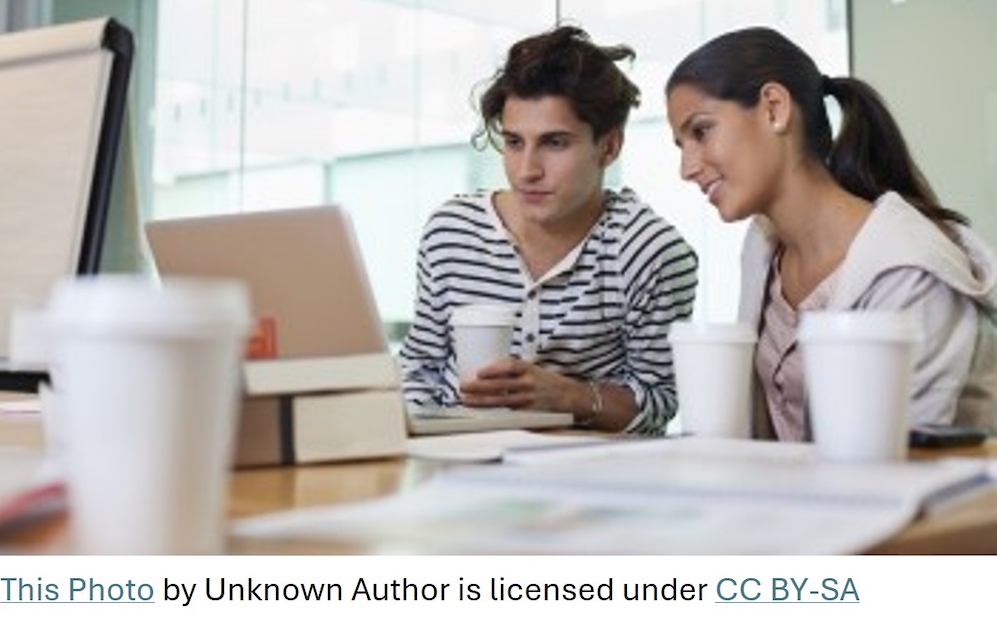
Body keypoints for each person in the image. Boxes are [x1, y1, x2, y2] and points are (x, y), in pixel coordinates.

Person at [664, 26, 997, 439]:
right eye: (681, 145)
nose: (687, 168)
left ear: (774, 108)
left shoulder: (910, 274)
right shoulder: (763, 244)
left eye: (701, 131)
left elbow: (897, 458)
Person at [400, 25, 698, 434]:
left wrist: (570, 396)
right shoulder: (451, 232)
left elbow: (659, 402)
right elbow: (419, 369)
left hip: (583, 465)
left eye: (554, 143)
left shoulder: (648, 251)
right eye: (514, 142)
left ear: (609, 147)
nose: (527, 171)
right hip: (451, 455)